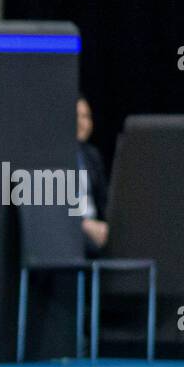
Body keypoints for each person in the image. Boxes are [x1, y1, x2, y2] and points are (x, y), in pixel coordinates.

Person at [76, 95, 110, 257]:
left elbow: (103, 199)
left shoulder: (91, 156)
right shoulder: (55, 157)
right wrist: (83, 224)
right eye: (77, 116)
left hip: (95, 224)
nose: (82, 123)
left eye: (86, 116)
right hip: (73, 227)